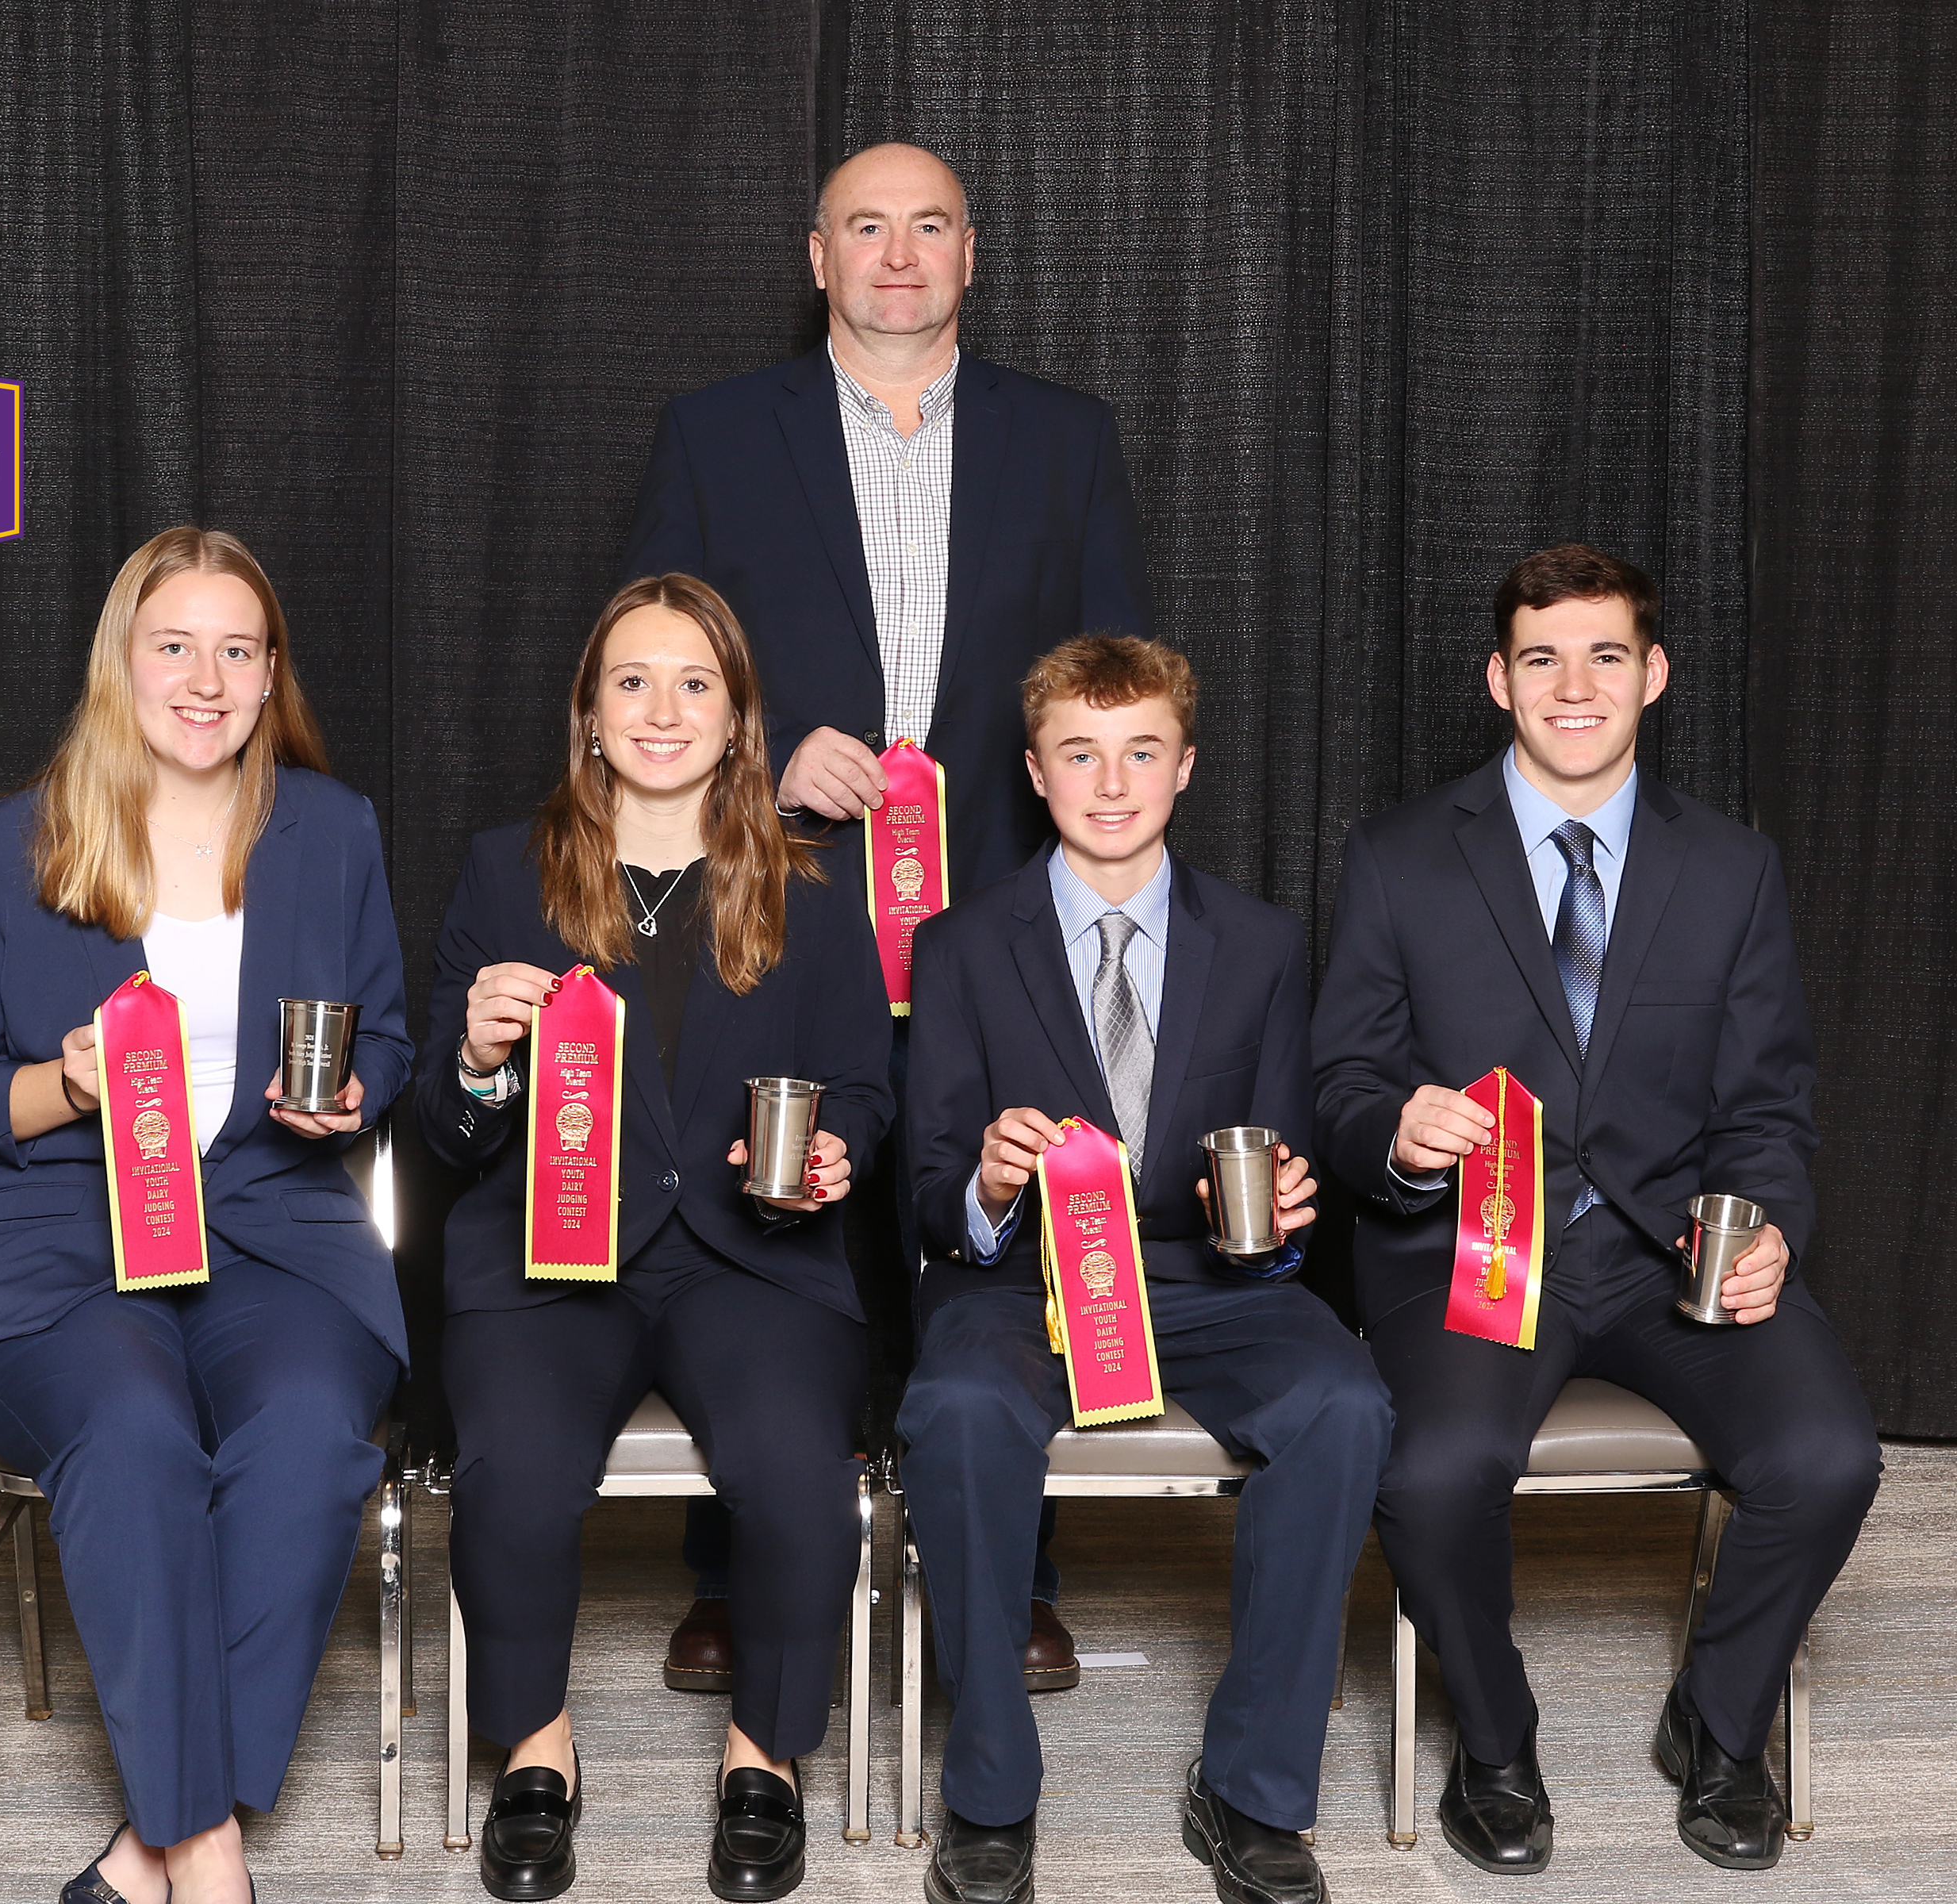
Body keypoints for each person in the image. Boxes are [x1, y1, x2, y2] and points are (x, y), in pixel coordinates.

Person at [622, 136, 1144, 1699]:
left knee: (1001, 1226)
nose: (898, 255)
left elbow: (1115, 675)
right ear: (819, 256)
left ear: (970, 257)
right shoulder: (717, 436)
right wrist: (765, 753)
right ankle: (747, 1564)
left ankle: (1014, 1570)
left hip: (1002, 900)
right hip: (775, 895)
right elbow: (649, 653)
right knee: (771, 1220)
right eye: (868, 228)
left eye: (929, 228)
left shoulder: (1067, 440)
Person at [1313, 544, 1882, 1875]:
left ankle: (1720, 1725)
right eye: (1545, 658)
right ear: (1499, 679)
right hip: (1472, 1249)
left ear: (1655, 674)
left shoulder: (1732, 868)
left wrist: (1768, 1228)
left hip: (1671, 1257)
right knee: (1436, 1470)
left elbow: (1768, 1105)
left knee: (1825, 1458)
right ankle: (1497, 1743)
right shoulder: (1402, 857)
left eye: (1607, 655)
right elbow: (1341, 1079)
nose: (1577, 686)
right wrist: (1394, 1130)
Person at [0, 526, 412, 1904]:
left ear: (269, 677)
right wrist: (60, 1087)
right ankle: (208, 1859)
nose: (207, 679)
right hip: (60, 1245)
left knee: (310, 1441)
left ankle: (150, 1847)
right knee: (132, 1438)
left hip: (276, 1231)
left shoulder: (333, 830)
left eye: (237, 650)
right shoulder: (12, 843)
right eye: (176, 646)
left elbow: (394, 1044)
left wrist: (354, 1094)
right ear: (120, 664)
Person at [413, 572, 896, 1904]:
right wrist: (477, 1055)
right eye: (633, 681)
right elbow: (442, 1133)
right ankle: (536, 1752)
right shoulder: (505, 873)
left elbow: (861, 1087)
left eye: (696, 683)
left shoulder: (812, 888)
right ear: (588, 714)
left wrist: (839, 1154)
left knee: (799, 1472)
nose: (664, 708)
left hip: (750, 1255)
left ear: (743, 719)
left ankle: (766, 1757)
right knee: (513, 1470)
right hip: (547, 1259)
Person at [896, 636, 1391, 1904]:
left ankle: (1253, 1792)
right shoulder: (957, 947)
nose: (1110, 784)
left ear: (1185, 768)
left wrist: (1284, 1211)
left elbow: (1281, 1175)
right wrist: (992, 1184)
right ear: (1034, 771)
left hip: (1209, 1286)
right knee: (954, 1410)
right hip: (1020, 1289)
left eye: (1139, 753)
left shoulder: (1267, 943)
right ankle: (991, 1790)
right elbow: (927, 1195)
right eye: (1079, 754)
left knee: (1344, 1404)